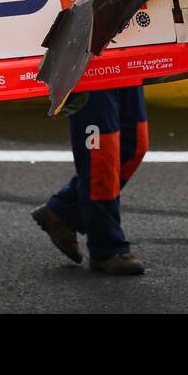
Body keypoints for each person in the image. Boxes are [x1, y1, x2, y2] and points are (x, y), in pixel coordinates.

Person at [31, 85, 148, 275]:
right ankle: (106, 247)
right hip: (87, 65)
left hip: (127, 59)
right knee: (100, 156)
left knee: (133, 146)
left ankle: (62, 210)